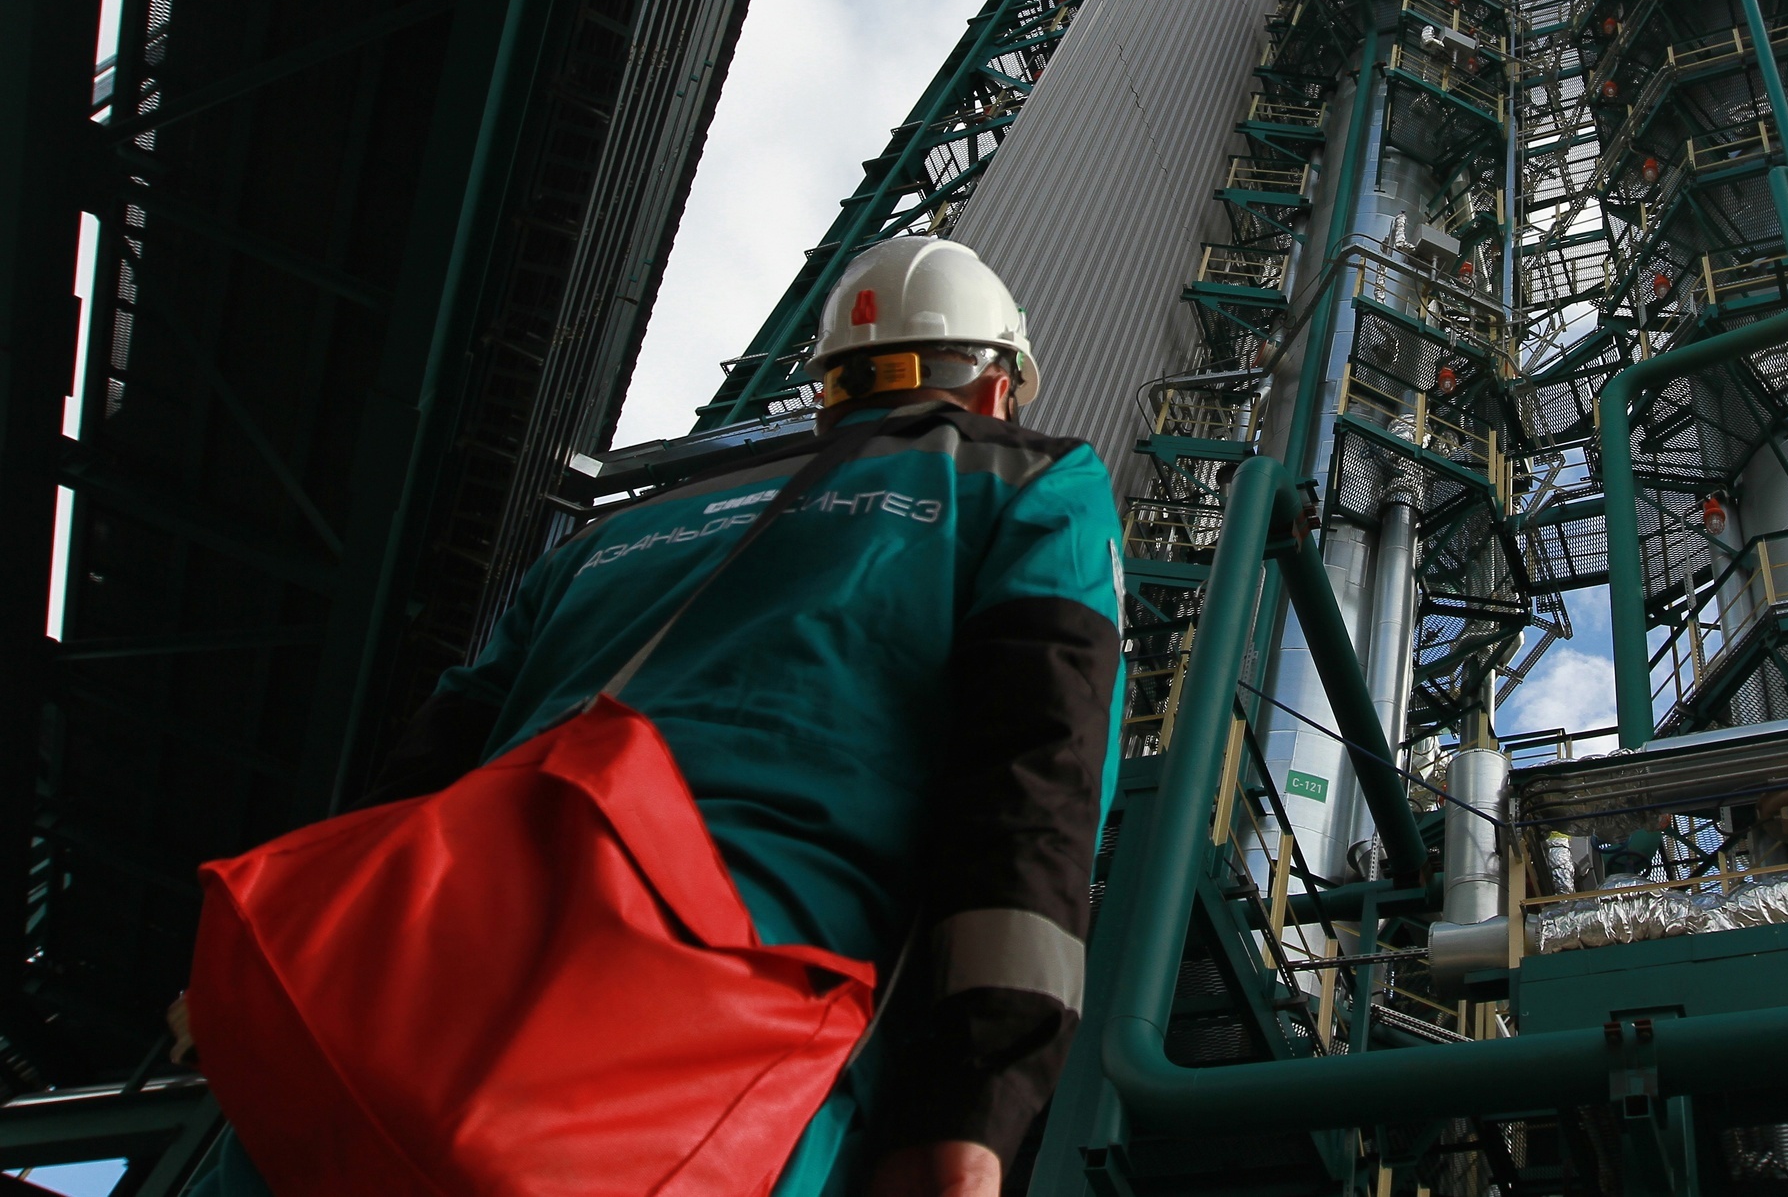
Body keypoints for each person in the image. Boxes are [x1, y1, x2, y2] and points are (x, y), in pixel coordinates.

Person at [179, 237, 1127, 1197]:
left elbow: (425, 764)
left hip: (389, 1018)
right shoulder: (1032, 482)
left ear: (831, 391)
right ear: (996, 388)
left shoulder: (603, 540)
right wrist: (977, 1098)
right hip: (723, 1045)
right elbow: (1036, 773)